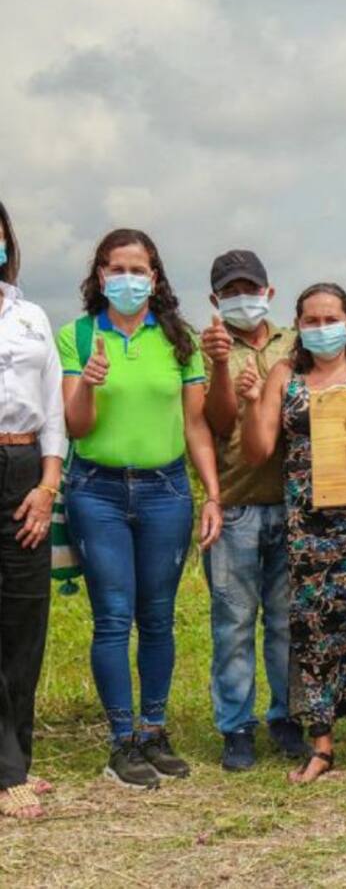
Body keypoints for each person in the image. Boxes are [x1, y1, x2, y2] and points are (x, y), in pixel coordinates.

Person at [58, 228, 223, 790]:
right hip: (96, 490)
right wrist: (88, 384)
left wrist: (213, 493)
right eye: (116, 268)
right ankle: (121, 740)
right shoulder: (77, 335)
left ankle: (155, 730)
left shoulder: (180, 340)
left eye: (139, 269)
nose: (128, 278)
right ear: (100, 275)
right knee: (113, 615)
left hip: (166, 491)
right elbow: (76, 426)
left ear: (155, 277)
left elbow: (196, 424)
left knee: (157, 615)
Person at [238, 283, 346, 783]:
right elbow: (257, 451)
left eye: (329, 318)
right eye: (310, 321)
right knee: (314, 633)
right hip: (308, 528)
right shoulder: (284, 376)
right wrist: (250, 403)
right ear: (299, 327)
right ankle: (322, 746)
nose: (320, 328)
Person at [198, 250, 308, 771]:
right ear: (216, 301)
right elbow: (216, 424)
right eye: (231, 291)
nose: (244, 298)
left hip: (293, 504)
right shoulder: (207, 349)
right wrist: (223, 367)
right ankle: (236, 726)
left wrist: (267, 394)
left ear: (270, 292)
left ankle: (287, 718)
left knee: (289, 623)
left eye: (252, 288)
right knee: (234, 624)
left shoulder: (297, 342)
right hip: (237, 505)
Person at [0, 201, 66, 819]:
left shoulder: (31, 315)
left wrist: (47, 487)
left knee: (26, 617)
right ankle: (5, 773)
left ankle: (19, 754)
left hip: (24, 472)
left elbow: (53, 409)